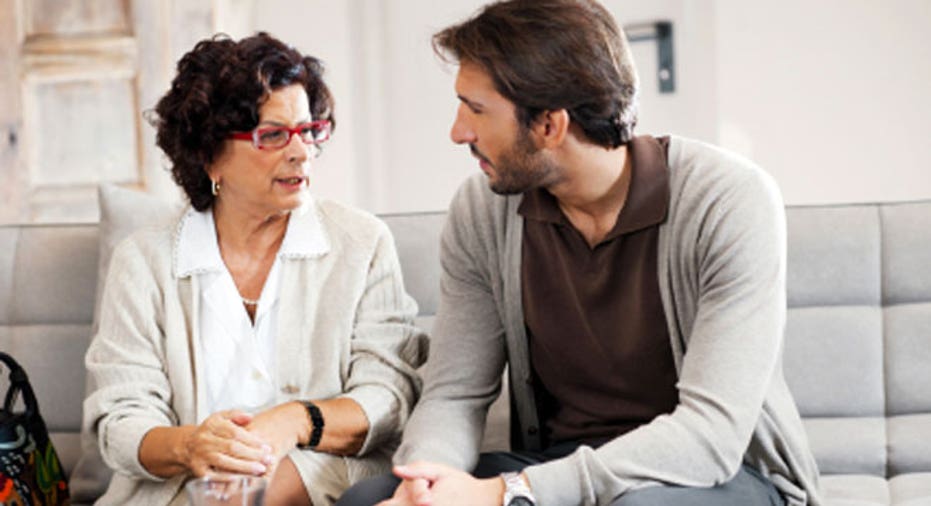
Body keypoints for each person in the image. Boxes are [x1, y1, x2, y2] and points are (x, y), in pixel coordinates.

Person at [338, 1, 822, 505]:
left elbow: (710, 435)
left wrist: (508, 494)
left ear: (550, 125)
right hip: (562, 462)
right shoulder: (482, 212)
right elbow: (454, 392)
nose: (459, 131)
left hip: (715, 476)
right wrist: (424, 483)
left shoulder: (728, 200)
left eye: (477, 110)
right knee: (369, 500)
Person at [82, 32, 427, 506]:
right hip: (180, 490)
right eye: (273, 135)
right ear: (208, 154)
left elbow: (388, 396)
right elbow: (121, 420)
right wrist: (191, 446)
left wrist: (291, 421)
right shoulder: (143, 261)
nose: (301, 151)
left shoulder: (361, 243)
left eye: (309, 131)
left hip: (318, 477)